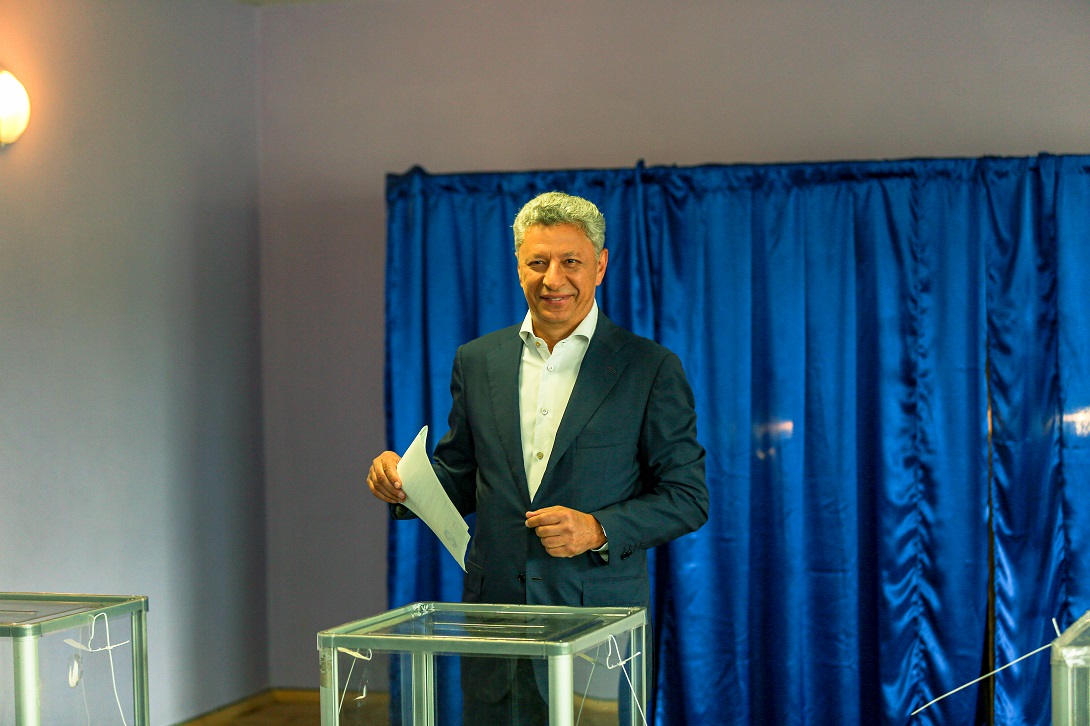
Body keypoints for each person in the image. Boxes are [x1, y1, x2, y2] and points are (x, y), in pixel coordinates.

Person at [367, 191, 708, 723]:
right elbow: (461, 477)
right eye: (537, 262)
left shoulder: (650, 368)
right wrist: (402, 481)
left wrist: (597, 528)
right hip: (495, 624)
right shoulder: (477, 360)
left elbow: (687, 498)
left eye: (571, 261)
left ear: (600, 266)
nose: (553, 279)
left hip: (596, 629)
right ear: (518, 266)